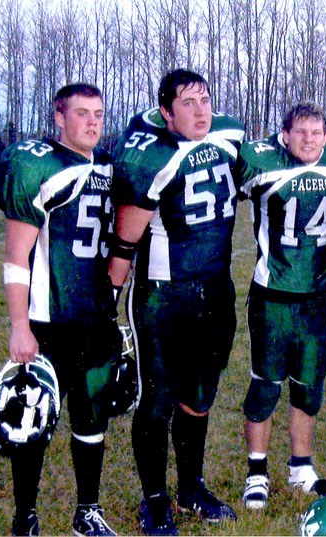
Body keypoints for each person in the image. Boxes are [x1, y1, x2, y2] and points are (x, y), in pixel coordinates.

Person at [109, 68, 244, 535]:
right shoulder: (152, 152)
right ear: (166, 112)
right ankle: (154, 500)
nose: (201, 109)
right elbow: (126, 240)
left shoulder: (229, 136)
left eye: (205, 99)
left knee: (200, 396)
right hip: (164, 296)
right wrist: (111, 300)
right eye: (188, 102)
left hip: (216, 290)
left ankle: (191, 488)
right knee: (158, 399)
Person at [0, 83, 120, 536]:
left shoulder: (107, 165)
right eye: (82, 113)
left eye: (98, 114)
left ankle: (87, 511)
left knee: (92, 420)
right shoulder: (36, 164)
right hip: (48, 322)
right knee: (34, 419)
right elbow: (15, 257)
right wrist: (18, 326)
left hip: (95, 318)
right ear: (58, 117)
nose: (91, 122)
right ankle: (25, 516)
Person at [235, 102, 326, 509]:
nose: (308, 140)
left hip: (316, 296)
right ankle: (257, 472)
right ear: (285, 135)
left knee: (308, 386)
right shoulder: (261, 162)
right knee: (265, 383)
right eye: (300, 132)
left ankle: (301, 470)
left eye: (316, 132)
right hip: (272, 292)